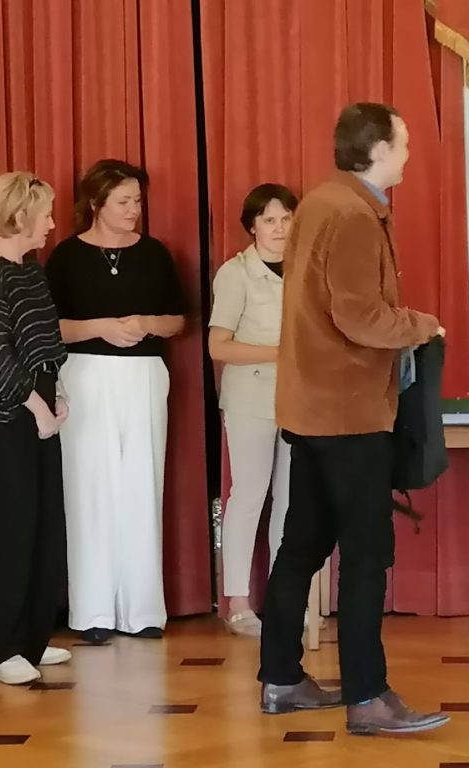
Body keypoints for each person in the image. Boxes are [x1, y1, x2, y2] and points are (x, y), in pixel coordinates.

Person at [257, 103, 449, 735]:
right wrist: (423, 325)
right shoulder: (353, 214)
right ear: (379, 150)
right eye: (405, 143)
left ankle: (281, 679)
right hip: (350, 414)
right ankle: (368, 698)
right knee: (367, 554)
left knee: (303, 546)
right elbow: (360, 317)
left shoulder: (322, 202)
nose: (410, 153)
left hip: (311, 408)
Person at [45, 159, 186, 644]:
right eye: (124, 201)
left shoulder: (154, 254)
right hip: (85, 375)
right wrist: (101, 328)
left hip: (144, 374)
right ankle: (93, 611)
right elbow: (50, 326)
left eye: (137, 201)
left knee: (142, 485)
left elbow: (177, 320)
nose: (133, 210)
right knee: (89, 489)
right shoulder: (66, 257)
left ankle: (143, 610)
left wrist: (145, 323)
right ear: (96, 204)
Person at [0, 172, 73, 685]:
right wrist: (36, 406)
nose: (51, 223)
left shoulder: (30, 270)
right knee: (6, 530)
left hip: (38, 411)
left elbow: (44, 339)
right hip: (3, 419)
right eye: (45, 214)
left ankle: (31, 638)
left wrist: (58, 391)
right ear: (20, 216)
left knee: (40, 526)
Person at [208, 184, 298, 637]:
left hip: (300, 399)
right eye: (269, 220)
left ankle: (285, 600)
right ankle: (239, 603)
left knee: (291, 500)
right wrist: (279, 353)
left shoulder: (306, 268)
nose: (279, 228)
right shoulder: (235, 273)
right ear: (252, 227)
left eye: (286, 219)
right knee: (248, 496)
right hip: (250, 399)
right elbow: (218, 346)